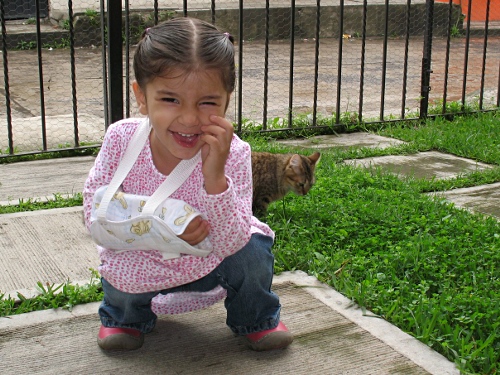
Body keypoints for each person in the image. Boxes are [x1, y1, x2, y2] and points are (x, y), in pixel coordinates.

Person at [82, 17, 293, 352]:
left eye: (207, 102)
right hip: (143, 260)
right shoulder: (121, 139)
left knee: (253, 250)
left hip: (210, 260)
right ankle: (124, 318)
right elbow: (95, 209)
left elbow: (232, 241)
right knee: (115, 255)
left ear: (227, 100)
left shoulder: (234, 152)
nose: (190, 117)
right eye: (170, 99)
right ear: (141, 96)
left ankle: (256, 317)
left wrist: (214, 176)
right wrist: (159, 224)